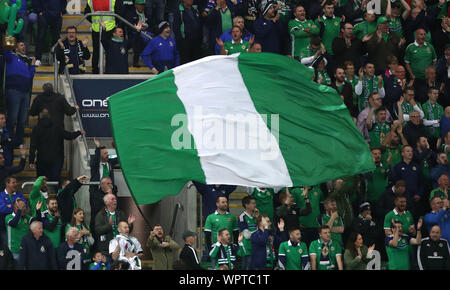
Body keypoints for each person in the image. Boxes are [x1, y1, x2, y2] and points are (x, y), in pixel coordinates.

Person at [29, 108, 84, 182]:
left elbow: (33, 146)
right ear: (50, 116)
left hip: (42, 159)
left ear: (40, 116)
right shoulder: (57, 127)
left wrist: (31, 161)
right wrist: (79, 132)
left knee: (41, 182)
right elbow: (68, 136)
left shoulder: (36, 129)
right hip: (56, 158)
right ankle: (56, 193)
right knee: (55, 181)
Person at [4, 41, 36, 148]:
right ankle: (8, 139)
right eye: (22, 45)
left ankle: (18, 141)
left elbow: (30, 77)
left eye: (24, 45)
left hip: (25, 93)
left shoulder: (25, 61)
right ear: (16, 48)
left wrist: (32, 66)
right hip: (14, 91)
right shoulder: (11, 57)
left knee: (22, 120)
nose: (24, 47)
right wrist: (10, 35)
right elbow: (6, 51)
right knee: (12, 118)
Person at [84, 0, 119, 74]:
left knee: (96, 50)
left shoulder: (91, 0)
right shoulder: (113, 0)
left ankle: (95, 69)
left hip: (96, 28)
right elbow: (119, 12)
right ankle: (110, 69)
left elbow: (86, 14)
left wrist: (95, 22)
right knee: (110, 50)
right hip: (110, 27)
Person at [392, 145, 425, 216]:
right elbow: (395, 183)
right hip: (403, 199)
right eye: (407, 151)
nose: (410, 153)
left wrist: (419, 194)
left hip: (416, 199)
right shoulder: (398, 167)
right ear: (402, 153)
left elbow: (421, 183)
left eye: (411, 151)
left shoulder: (417, 167)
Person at [6, 200, 41, 264]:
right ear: (16, 207)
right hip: (14, 251)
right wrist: (19, 210)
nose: (25, 209)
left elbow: (37, 222)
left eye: (25, 206)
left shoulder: (26, 217)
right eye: (22, 207)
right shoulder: (9, 217)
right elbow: (13, 223)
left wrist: (38, 210)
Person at [32, 0, 66, 66]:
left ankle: (55, 59)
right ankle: (38, 58)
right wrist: (39, 11)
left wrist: (62, 11)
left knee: (56, 37)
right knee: (41, 36)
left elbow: (63, 1)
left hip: (57, 15)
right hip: (44, 14)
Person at [314, 0, 343, 70]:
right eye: (328, 8)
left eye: (332, 8)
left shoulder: (339, 20)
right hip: (325, 52)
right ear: (324, 10)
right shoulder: (318, 21)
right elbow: (315, 36)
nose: (331, 10)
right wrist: (320, 44)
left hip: (337, 52)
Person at [173, 0, 203, 64]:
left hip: (196, 40)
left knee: (195, 62)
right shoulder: (179, 10)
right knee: (185, 61)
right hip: (185, 40)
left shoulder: (195, 9)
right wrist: (181, 40)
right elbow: (176, 27)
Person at [0, 176, 27, 244]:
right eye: (13, 182)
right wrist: (16, 207)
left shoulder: (20, 195)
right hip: (4, 227)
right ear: (7, 184)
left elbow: (25, 206)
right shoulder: (1, 195)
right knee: (7, 246)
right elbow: (2, 209)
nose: (16, 184)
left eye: (16, 182)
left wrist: (9, 206)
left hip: (19, 225)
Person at [238, 195, 258, 270]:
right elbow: (247, 235)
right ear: (246, 205)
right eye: (252, 203)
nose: (255, 205)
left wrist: (258, 218)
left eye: (255, 203)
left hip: (256, 247)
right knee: (246, 267)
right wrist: (258, 231)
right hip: (247, 248)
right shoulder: (242, 217)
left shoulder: (255, 216)